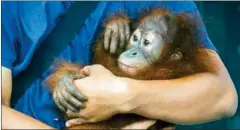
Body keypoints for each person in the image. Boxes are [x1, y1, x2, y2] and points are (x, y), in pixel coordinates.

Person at [2, 1, 238, 129]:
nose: (133, 49)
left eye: (145, 42)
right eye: (134, 40)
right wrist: (67, 80)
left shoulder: (168, 13)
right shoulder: (13, 5)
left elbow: (222, 96)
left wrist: (121, 96)